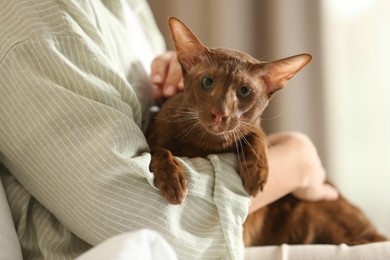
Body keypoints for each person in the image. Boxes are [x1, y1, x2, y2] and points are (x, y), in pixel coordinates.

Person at [0, 0, 338, 259]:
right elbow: (145, 216)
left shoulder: (130, 7)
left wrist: (175, 78)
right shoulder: (39, 19)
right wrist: (297, 160)